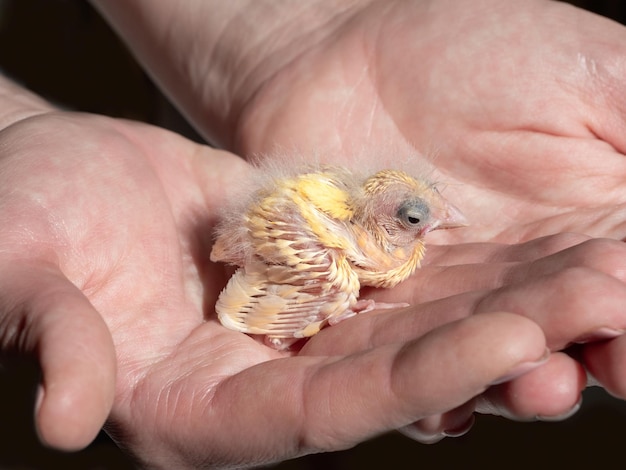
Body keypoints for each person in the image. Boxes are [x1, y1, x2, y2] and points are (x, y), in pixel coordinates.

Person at [2, 0, 626, 467]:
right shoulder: (334, 255)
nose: (433, 226)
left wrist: (305, 31)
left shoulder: (362, 208)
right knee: (328, 287)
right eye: (415, 220)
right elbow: (252, 275)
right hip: (100, 75)